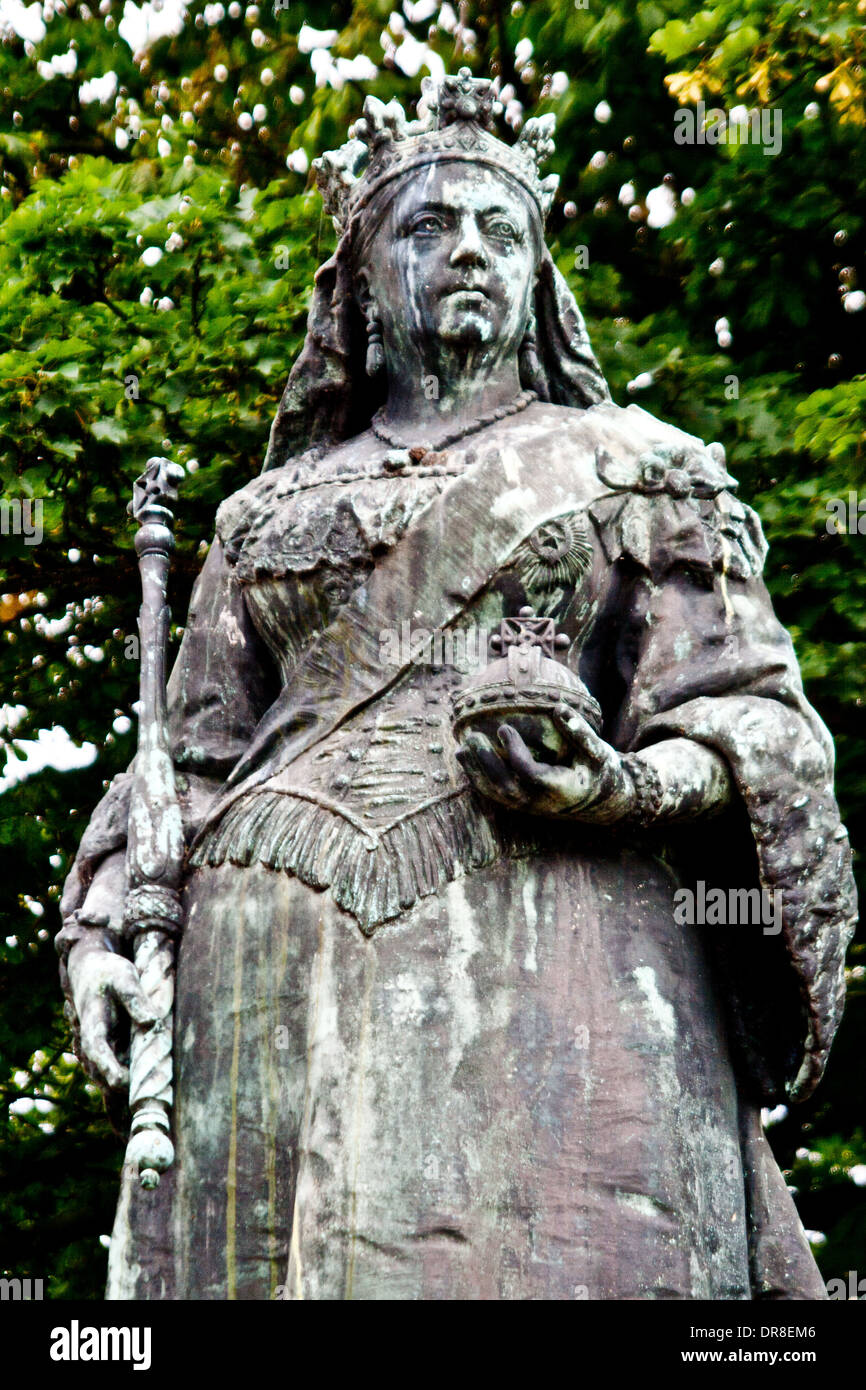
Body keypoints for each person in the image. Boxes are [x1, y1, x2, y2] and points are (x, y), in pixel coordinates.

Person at [58, 70, 856, 1301]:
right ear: (362, 284)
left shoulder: (641, 469)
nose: (466, 252)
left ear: (539, 275)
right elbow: (188, 759)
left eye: (500, 230)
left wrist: (625, 786)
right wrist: (104, 925)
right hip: (263, 979)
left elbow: (757, 719)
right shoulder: (258, 514)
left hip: (558, 964)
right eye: (426, 228)